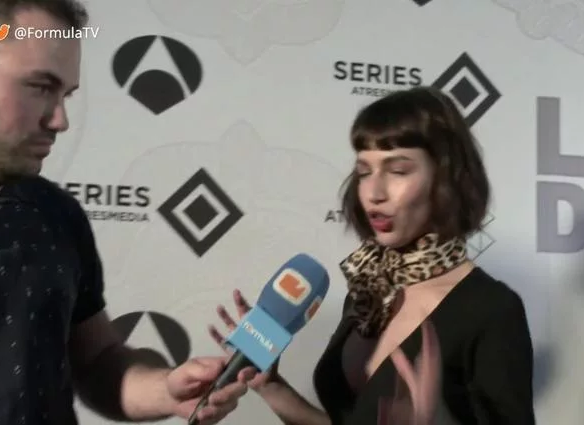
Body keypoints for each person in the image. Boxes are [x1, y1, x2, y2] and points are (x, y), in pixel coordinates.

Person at [0, 1, 251, 424]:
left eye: (66, 95)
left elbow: (97, 361)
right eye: (40, 87)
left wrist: (167, 390)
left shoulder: (56, 212)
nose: (60, 120)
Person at [209, 86, 537, 424]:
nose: (374, 193)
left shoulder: (492, 310)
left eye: (398, 171)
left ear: (447, 179)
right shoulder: (370, 289)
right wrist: (272, 387)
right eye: (364, 171)